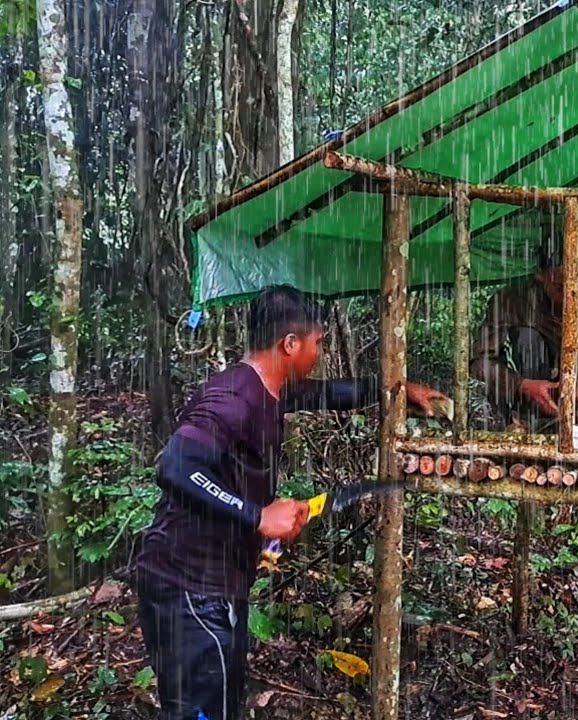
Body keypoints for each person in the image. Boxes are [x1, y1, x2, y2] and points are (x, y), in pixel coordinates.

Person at [131, 285, 448, 720]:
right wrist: (256, 515)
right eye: (318, 342)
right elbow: (176, 467)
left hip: (213, 581)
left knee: (219, 704)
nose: (320, 352)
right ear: (291, 343)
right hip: (189, 586)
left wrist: (395, 389)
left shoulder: (273, 388)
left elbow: (327, 393)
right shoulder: (233, 396)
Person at [471, 214, 578, 432]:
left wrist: (577, 381)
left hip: (577, 392)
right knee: (529, 339)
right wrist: (522, 385)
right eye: (560, 287)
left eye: (574, 287)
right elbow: (479, 363)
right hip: (526, 390)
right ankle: (527, 422)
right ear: (540, 276)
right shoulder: (511, 300)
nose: (568, 296)